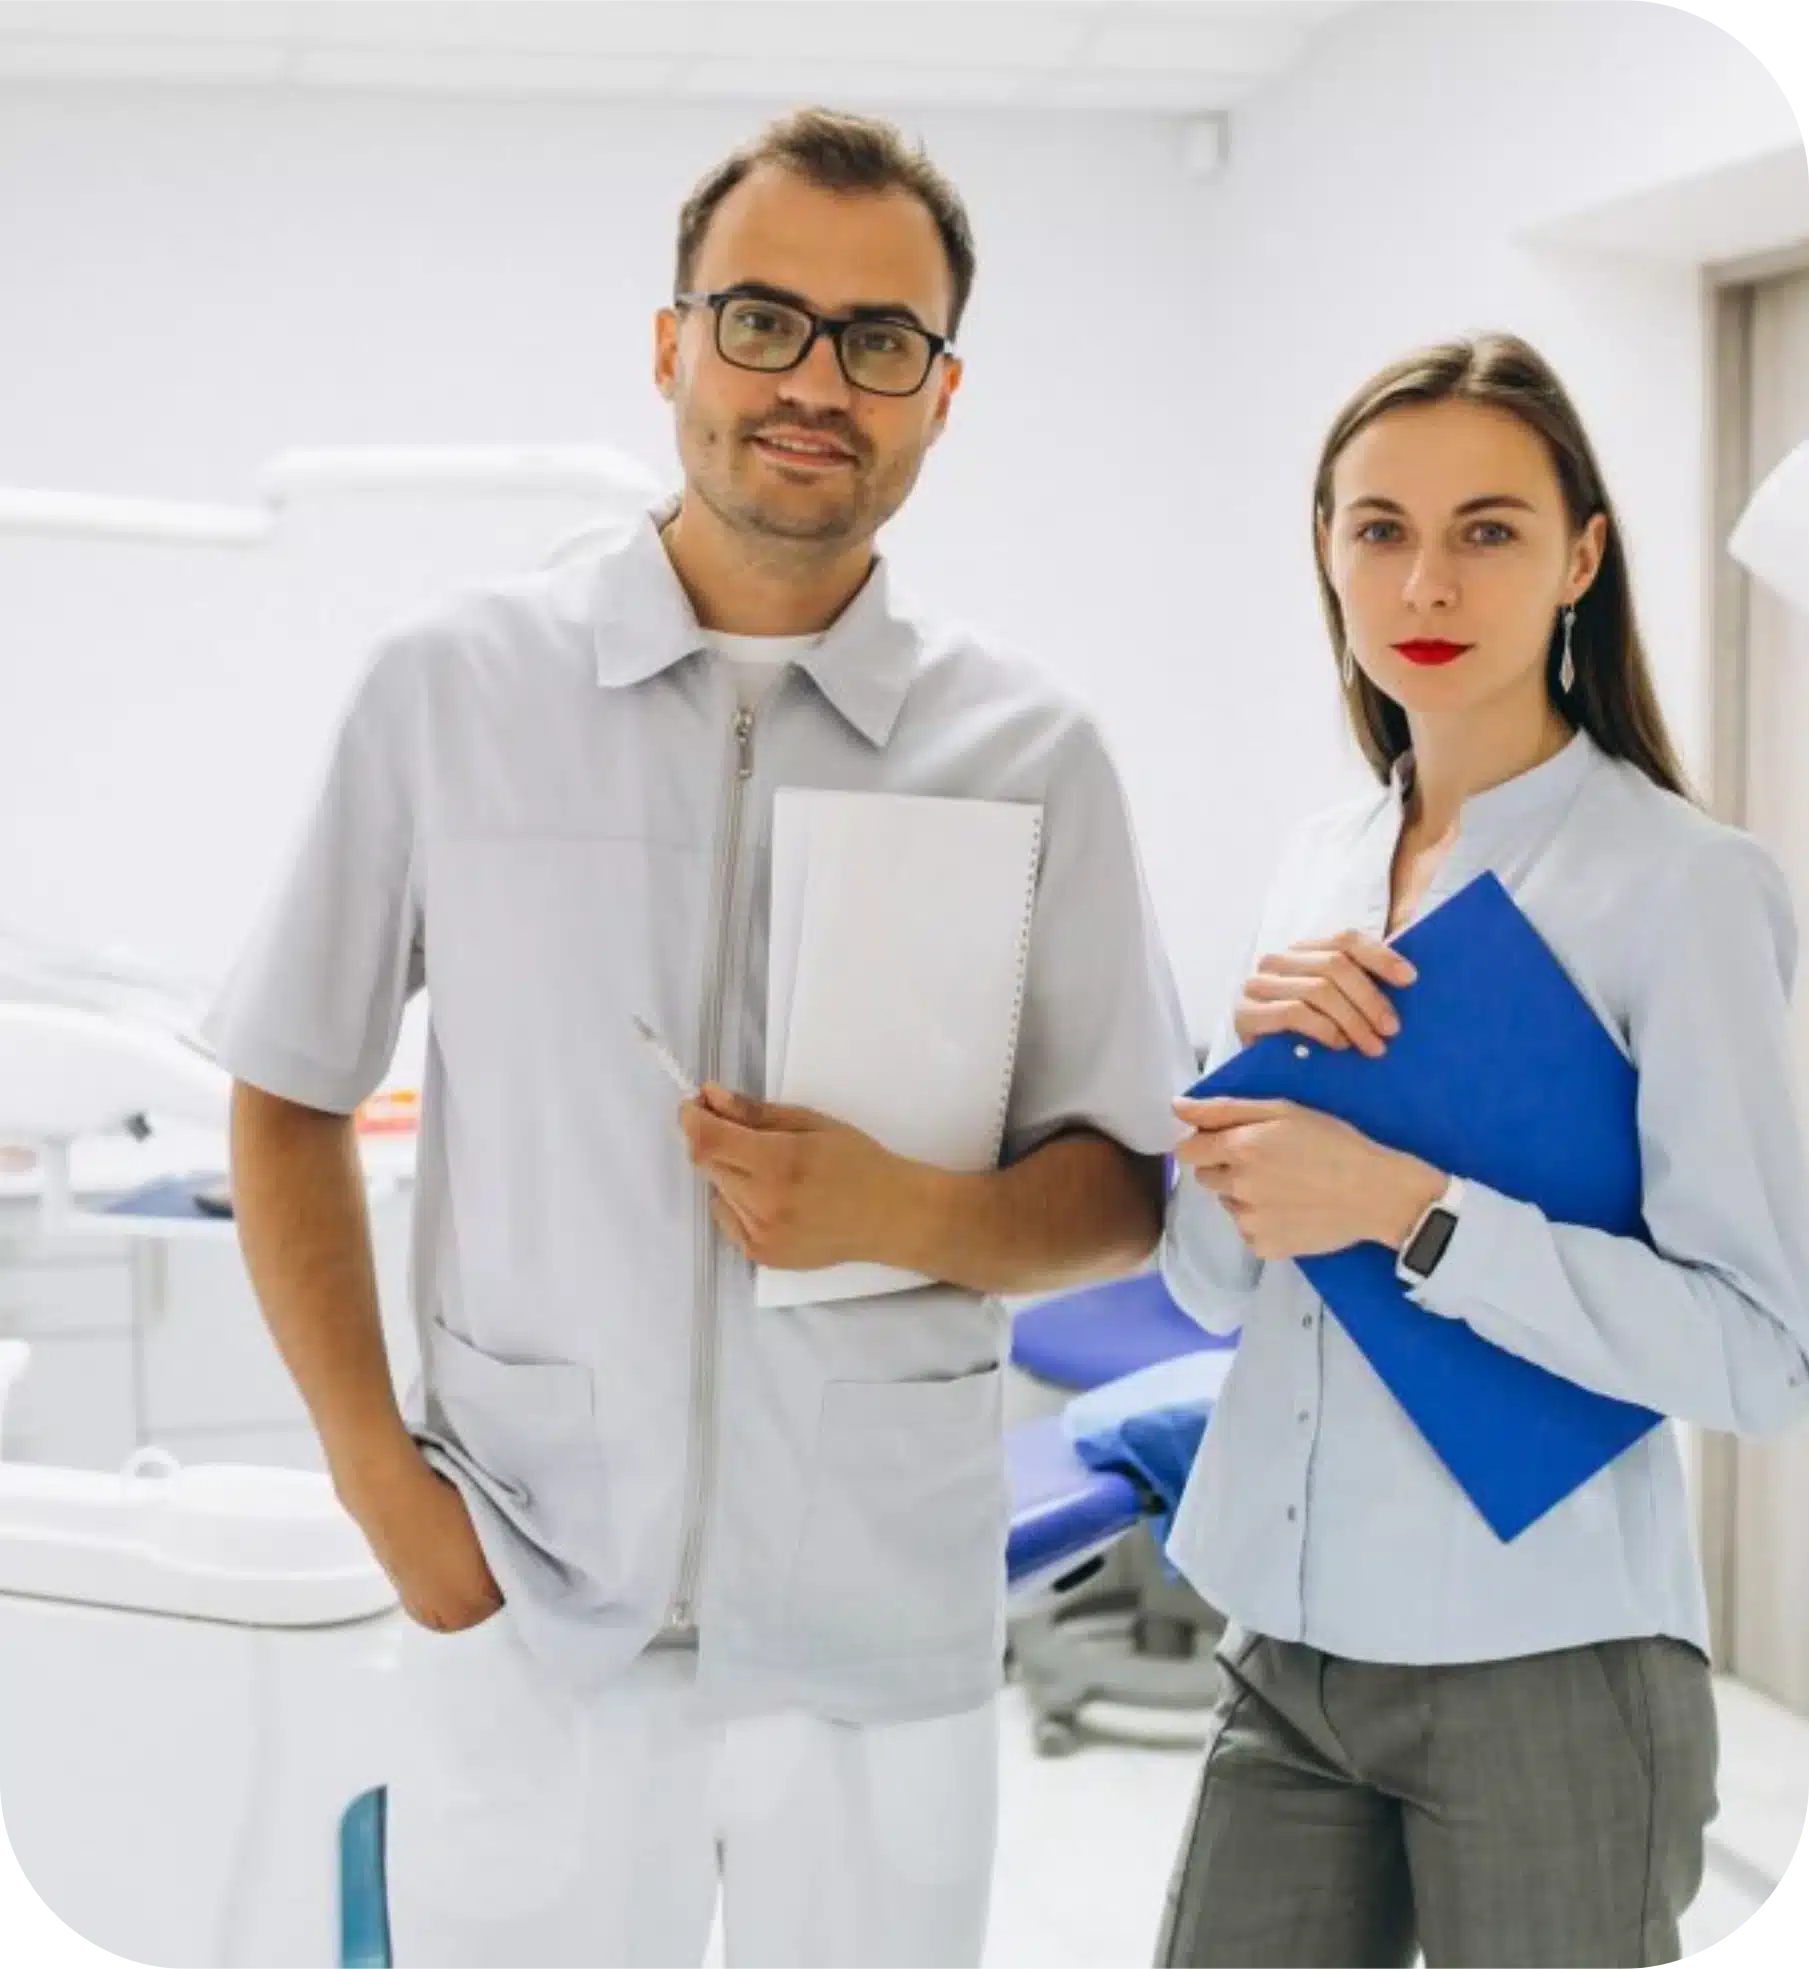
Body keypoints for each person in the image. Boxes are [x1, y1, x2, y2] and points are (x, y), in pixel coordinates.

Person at [203, 107, 1192, 1969]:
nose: (818, 380)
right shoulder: (455, 690)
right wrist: (383, 1492)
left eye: (880, 341)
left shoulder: (1031, 750)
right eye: (763, 320)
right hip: (532, 1599)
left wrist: (905, 1207)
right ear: (671, 345)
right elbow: (285, 1087)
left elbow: (1127, 1195)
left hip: (877, 1632)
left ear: (940, 396)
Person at [1155, 333, 1809, 1969]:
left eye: (1489, 529)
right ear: (1326, 551)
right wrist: (1232, 1111)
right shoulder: (1320, 860)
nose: (1425, 578)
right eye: (1379, 528)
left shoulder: (1681, 887)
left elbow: (1765, 1356)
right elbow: (1216, 1289)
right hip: (1282, 1644)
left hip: (1548, 1659)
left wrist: (1413, 1212)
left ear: (1582, 556)